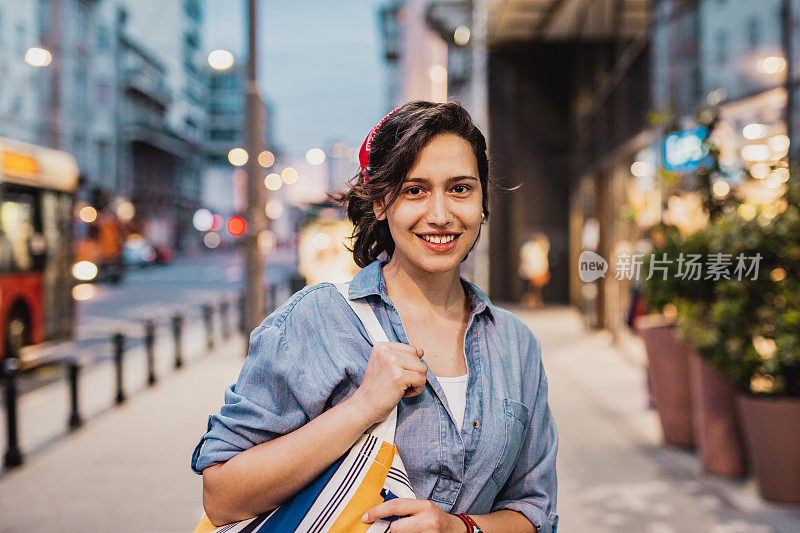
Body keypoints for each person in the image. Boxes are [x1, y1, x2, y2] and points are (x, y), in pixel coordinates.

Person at [191, 101, 559, 533]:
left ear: (482, 201)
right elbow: (222, 497)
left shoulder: (515, 344)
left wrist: (457, 527)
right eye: (414, 190)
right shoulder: (319, 320)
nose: (440, 215)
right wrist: (362, 407)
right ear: (382, 202)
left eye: (460, 188)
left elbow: (535, 511)